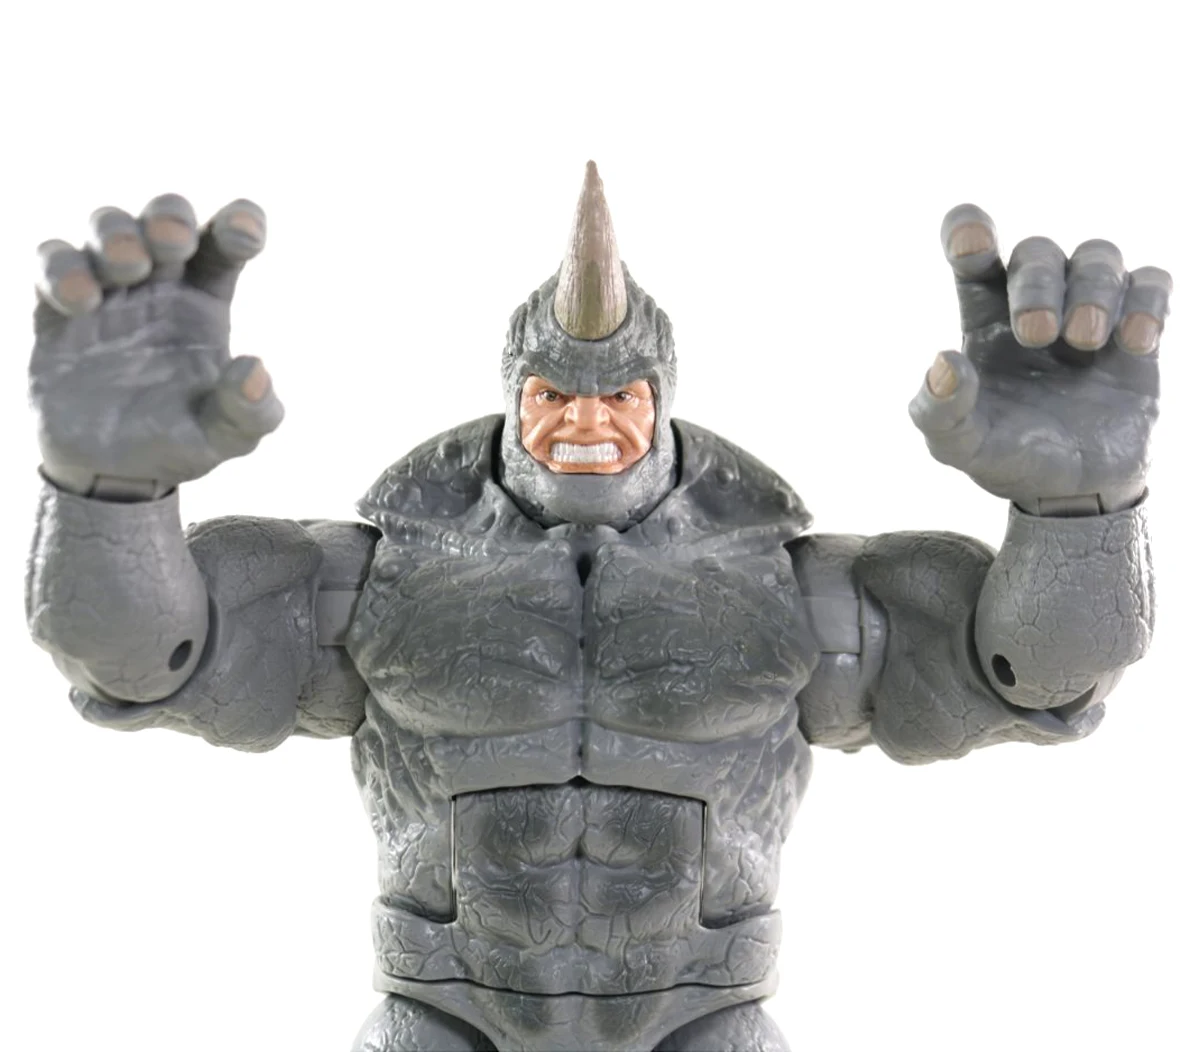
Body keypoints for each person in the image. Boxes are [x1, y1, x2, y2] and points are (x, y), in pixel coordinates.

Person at [26, 163, 1170, 1051]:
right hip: (441, 1011)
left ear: (661, 403)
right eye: (552, 395)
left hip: (703, 1016)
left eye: (619, 396)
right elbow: (147, 659)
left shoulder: (782, 580)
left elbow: (1032, 676)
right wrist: (110, 499)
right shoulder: (381, 572)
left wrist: (1079, 514)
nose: (584, 421)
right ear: (512, 397)